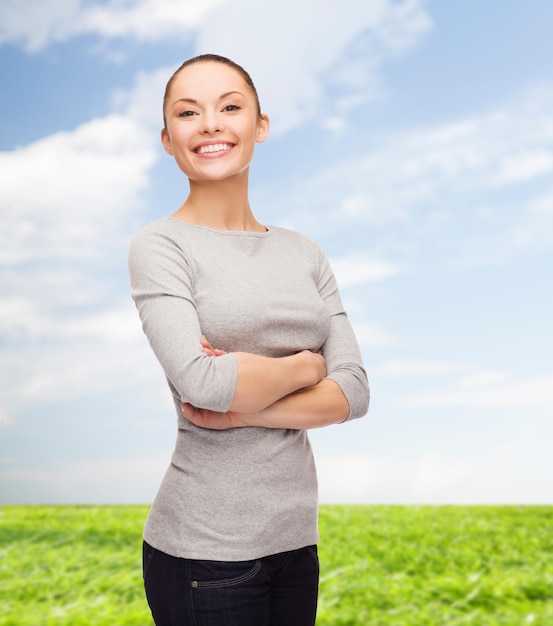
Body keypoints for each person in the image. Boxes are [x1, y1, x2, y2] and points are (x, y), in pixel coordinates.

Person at [128, 53, 370, 626]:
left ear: (260, 125)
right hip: (203, 552)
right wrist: (307, 367)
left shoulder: (303, 252)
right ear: (169, 139)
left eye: (229, 107)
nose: (210, 123)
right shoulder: (160, 246)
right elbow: (204, 383)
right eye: (189, 113)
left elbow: (355, 393)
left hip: (294, 541)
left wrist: (244, 412)